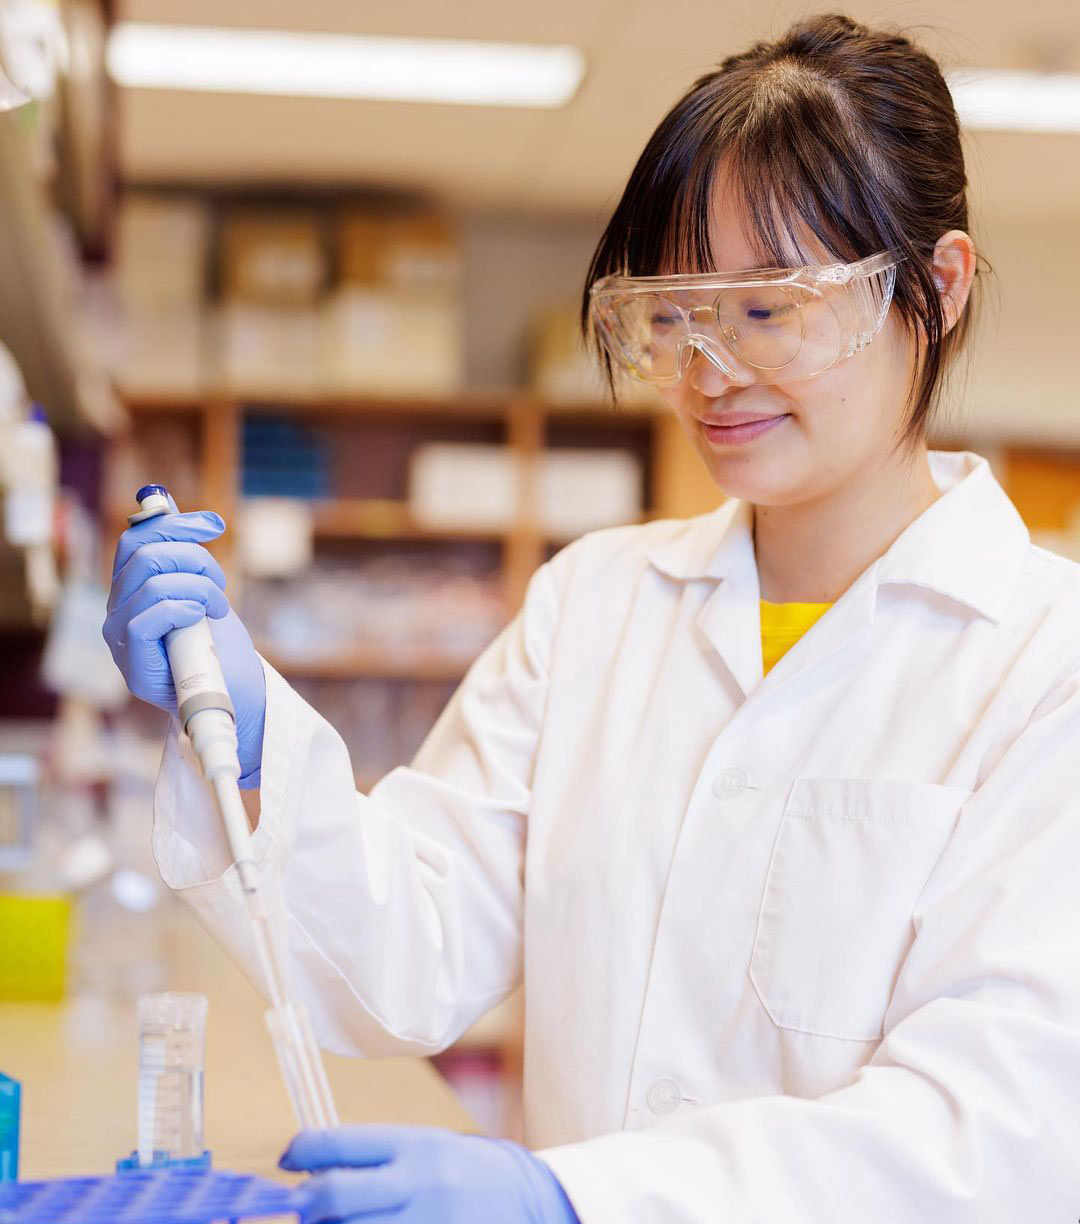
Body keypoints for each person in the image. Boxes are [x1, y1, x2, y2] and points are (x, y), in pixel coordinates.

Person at [103, 12, 1080, 1222]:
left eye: (768, 308)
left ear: (935, 286)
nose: (709, 368)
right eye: (673, 314)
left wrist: (570, 1201)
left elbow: (991, 1136)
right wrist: (249, 738)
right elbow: (402, 952)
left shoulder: (1046, 671)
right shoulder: (596, 605)